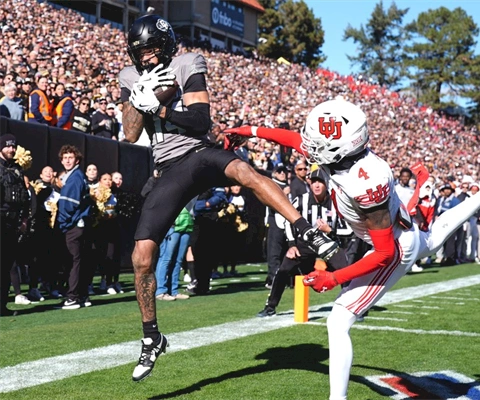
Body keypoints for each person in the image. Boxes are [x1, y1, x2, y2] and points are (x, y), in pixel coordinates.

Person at [225, 98, 480, 400]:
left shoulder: (365, 183)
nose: (307, 146)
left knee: (338, 319)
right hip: (399, 229)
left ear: (339, 146)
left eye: (315, 143)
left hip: (395, 245)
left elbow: (386, 255)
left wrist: (335, 278)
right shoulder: (342, 152)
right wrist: (248, 130)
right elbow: (292, 139)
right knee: (432, 239)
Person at [119, 14, 338, 382]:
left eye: (154, 50)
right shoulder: (129, 76)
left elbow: (201, 121)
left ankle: (304, 229)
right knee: (141, 255)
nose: (149, 58)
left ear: (168, 45)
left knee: (244, 172)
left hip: (196, 154)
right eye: (142, 52)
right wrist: (139, 101)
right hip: (166, 171)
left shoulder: (187, 63)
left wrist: (159, 107)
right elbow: (129, 133)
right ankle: (151, 337)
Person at [257, 168, 348, 318]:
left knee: (345, 271)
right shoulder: (301, 200)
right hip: (304, 243)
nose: (317, 186)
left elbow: (348, 230)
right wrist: (292, 245)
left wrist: (330, 230)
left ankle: (353, 307)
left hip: (328, 243)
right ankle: (270, 307)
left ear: (327, 184)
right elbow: (288, 221)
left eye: (320, 182)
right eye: (314, 182)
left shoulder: (337, 203)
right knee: (283, 270)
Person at [56, 145, 92, 310]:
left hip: (73, 226)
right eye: (65, 158)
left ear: (77, 160)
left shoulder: (75, 177)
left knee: (73, 262)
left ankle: (73, 297)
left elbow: (69, 205)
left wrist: (63, 223)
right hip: (79, 224)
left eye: (71, 157)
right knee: (80, 260)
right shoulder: (78, 176)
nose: (67, 160)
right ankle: (82, 295)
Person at [0, 134, 29, 316]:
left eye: (14, 147)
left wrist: (25, 219)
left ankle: (2, 306)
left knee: (7, 266)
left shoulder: (18, 169)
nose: (11, 149)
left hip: (13, 222)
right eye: (8, 146)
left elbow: (24, 198)